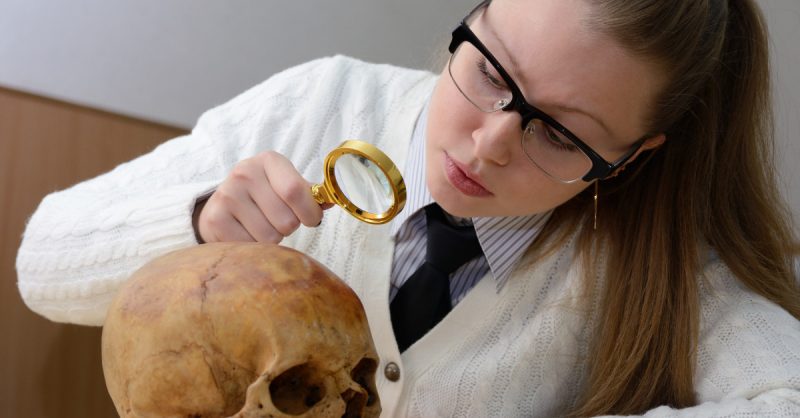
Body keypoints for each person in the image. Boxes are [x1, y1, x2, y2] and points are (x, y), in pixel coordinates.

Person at [16, 0, 800, 416]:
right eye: (493, 68)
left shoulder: (660, 266)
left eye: (559, 134)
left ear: (630, 158)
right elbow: (41, 264)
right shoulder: (324, 101)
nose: (490, 142)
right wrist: (194, 227)